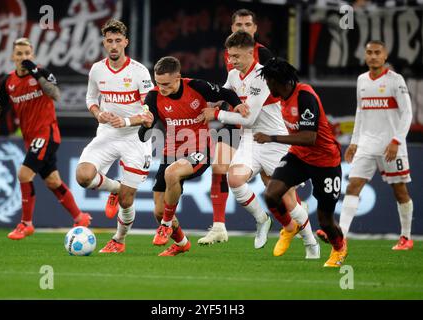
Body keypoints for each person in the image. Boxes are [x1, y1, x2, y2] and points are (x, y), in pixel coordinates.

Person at [201, 31, 319, 258]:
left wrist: (216, 113)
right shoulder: (235, 74)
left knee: (288, 199)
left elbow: (249, 118)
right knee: (234, 178)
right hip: (250, 140)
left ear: (250, 52)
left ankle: (310, 242)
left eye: (236, 56)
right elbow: (225, 91)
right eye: (230, 56)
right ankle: (262, 220)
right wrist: (208, 102)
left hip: (275, 141)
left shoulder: (263, 77)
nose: (232, 61)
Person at [135, 56, 243, 256]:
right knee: (158, 211)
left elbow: (227, 93)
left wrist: (237, 106)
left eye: (166, 84)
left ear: (178, 78)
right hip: (171, 151)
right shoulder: (153, 96)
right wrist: (146, 125)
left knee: (172, 173)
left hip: (200, 148)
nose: (162, 88)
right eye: (158, 83)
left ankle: (167, 225)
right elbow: (144, 136)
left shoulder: (197, 86)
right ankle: (182, 243)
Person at [0, 37, 91, 240]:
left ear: (32, 55)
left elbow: (55, 94)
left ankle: (26, 224)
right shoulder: (8, 81)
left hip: (47, 133)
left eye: (27, 53)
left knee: (24, 174)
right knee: (53, 181)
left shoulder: (42, 73)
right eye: (19, 54)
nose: (23, 57)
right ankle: (80, 217)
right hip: (30, 138)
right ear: (13, 57)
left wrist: (36, 71)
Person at [318, 40, 414, 250]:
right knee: (353, 186)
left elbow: (407, 113)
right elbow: (360, 112)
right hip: (367, 144)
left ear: (385, 55)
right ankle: (341, 235)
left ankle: (406, 237)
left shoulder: (395, 80)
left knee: (400, 190)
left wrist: (397, 140)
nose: (373, 56)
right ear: (365, 56)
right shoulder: (362, 80)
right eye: (369, 52)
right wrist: (354, 142)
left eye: (377, 52)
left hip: (391, 144)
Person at [253, 57, 347, 267]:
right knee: (271, 194)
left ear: (278, 81)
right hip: (299, 156)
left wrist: (271, 138)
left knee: (325, 220)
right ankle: (290, 227)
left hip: (325, 161)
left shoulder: (304, 96)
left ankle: (339, 248)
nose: (267, 86)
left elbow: (309, 137)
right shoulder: (282, 97)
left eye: (268, 81)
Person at [76, 19, 154, 253]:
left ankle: (118, 240)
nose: (113, 45)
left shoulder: (139, 72)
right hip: (108, 133)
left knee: (127, 200)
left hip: (135, 138)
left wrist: (127, 121)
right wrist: (98, 113)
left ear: (126, 42)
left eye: (118, 41)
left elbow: (150, 114)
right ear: (104, 43)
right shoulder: (97, 69)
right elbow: (90, 99)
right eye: (109, 41)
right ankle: (115, 187)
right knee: (83, 176)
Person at [199, 8, 275, 245]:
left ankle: (292, 222)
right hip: (234, 119)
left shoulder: (264, 56)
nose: (243, 29)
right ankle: (219, 226)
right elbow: (231, 84)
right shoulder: (230, 52)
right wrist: (216, 99)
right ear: (232, 28)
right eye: (238, 25)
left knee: (271, 185)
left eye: (247, 25)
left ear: (255, 29)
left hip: (260, 126)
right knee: (219, 165)